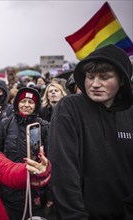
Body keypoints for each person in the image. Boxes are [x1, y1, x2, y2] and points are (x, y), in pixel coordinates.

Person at [48, 44, 133, 219]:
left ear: (122, 80)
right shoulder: (69, 108)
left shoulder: (130, 112)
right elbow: (63, 171)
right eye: (90, 76)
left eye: (105, 77)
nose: (95, 84)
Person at [0, 87, 52, 219]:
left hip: (36, 191)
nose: (26, 105)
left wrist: (50, 194)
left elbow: (52, 160)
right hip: (10, 191)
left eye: (30, 102)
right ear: (17, 103)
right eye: (23, 101)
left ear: (36, 106)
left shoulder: (44, 127)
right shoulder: (5, 124)